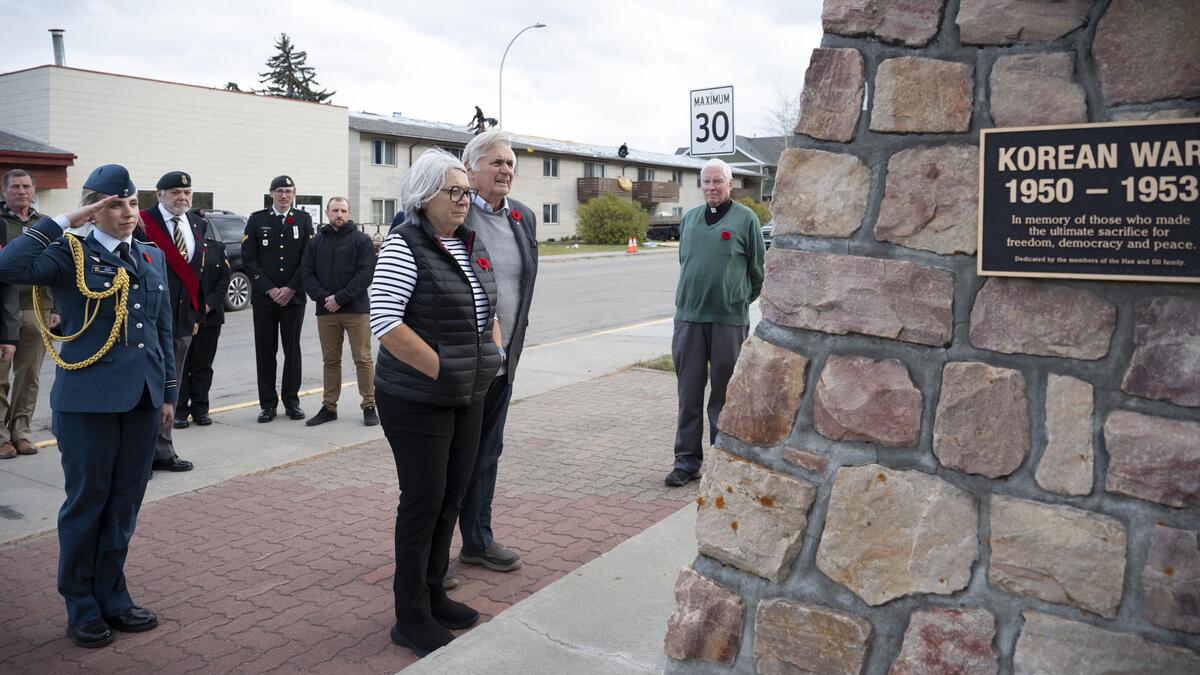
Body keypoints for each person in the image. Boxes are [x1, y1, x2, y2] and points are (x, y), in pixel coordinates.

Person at [0, 164, 175, 648]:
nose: (127, 213)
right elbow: (8, 266)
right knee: (88, 502)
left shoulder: (150, 256)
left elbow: (161, 329)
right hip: (88, 402)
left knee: (124, 503)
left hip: (141, 398)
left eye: (132, 203)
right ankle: (80, 604)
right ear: (95, 207)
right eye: (114, 204)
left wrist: (168, 394)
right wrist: (64, 220)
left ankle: (113, 594)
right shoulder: (67, 252)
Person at [370, 149, 503, 657]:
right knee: (422, 503)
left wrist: (494, 354)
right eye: (454, 192)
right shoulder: (404, 245)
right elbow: (386, 324)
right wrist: (446, 371)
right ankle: (410, 615)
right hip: (418, 398)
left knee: (452, 496)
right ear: (423, 196)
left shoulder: (467, 245)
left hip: (467, 394)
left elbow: (487, 307)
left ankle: (432, 591)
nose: (463, 200)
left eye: (465, 192)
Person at [450, 130, 538, 586]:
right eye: (497, 163)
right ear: (471, 169)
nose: (507, 170)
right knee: (449, 459)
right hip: (460, 364)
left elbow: (521, 289)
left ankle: (478, 541)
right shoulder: (454, 215)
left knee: (487, 453)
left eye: (510, 163)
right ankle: (432, 555)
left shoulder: (524, 218)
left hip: (503, 363)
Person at [665, 158, 764, 487]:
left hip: (728, 322)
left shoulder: (746, 219)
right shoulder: (690, 219)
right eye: (706, 182)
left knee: (724, 396)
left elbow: (757, 272)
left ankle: (723, 460)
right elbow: (686, 262)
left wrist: (736, 300)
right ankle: (687, 462)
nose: (711, 187)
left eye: (717, 182)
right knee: (688, 394)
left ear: (730, 184)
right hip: (689, 320)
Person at [137, 171, 203, 472]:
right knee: (143, 390)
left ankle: (163, 450)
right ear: (159, 194)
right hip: (147, 320)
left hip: (181, 321)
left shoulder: (197, 223)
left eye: (187, 192)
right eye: (175, 191)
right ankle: (138, 457)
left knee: (170, 388)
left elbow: (199, 275)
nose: (183, 197)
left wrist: (196, 314)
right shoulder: (141, 222)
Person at [300, 197, 377, 427]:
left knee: (362, 359)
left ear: (349, 213)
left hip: (356, 310)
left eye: (343, 210)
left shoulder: (362, 241)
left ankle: (369, 405)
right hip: (326, 312)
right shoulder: (315, 243)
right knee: (330, 361)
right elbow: (307, 274)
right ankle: (329, 407)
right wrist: (325, 299)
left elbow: (365, 275)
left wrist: (340, 298)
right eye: (335, 210)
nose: (339, 214)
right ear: (327, 212)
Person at [242, 175, 313, 422]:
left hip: (293, 299)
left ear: (294, 194)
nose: (284, 195)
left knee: (292, 351)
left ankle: (292, 402)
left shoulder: (303, 220)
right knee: (265, 351)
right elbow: (249, 259)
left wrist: (291, 288)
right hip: (265, 299)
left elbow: (308, 258)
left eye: (289, 191)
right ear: (271, 193)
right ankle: (268, 404)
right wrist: (271, 289)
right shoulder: (257, 219)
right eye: (280, 191)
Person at [0, 169, 58, 459]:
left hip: (38, 308)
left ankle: (21, 432)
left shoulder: (45, 224)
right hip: (2, 310)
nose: (21, 191)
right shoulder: (0, 223)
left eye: (26, 186)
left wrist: (56, 307)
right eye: (15, 187)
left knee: (29, 376)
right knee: (0, 377)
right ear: (4, 191)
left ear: (34, 190)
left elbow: (59, 265)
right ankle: (0, 436)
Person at [176, 226, 231, 427]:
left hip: (210, 316)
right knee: (181, 366)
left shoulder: (216, 248)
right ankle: (180, 411)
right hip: (182, 316)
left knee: (202, 365)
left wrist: (208, 305)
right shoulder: (175, 248)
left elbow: (225, 278)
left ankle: (201, 409)